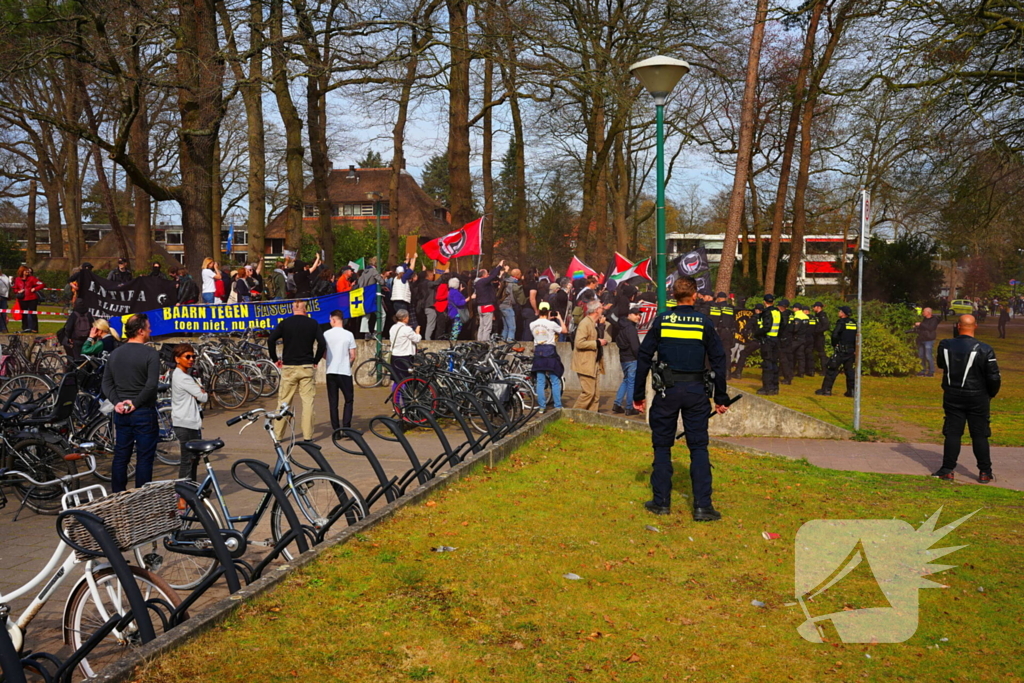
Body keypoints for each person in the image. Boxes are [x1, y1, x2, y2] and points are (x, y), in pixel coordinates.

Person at [634, 276, 729, 521]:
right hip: (696, 392)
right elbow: (719, 360)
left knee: (662, 447)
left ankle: (661, 503)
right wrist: (721, 397)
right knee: (698, 448)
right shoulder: (704, 322)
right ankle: (702, 507)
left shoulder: (662, 320)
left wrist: (638, 395)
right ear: (695, 295)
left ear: (674, 296)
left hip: (667, 391)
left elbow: (644, 356)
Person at [932, 315, 1000, 482]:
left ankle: (947, 469)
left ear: (958, 326)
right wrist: (990, 394)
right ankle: (985, 472)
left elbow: (941, 364)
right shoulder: (985, 349)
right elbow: (993, 377)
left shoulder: (945, 345)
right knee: (980, 434)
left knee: (953, 433)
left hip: (953, 395)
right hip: (977, 396)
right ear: (975, 326)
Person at [101, 313, 160, 492]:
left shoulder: (115, 353)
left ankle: (117, 495)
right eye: (148, 327)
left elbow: (106, 383)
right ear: (140, 331)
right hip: (143, 411)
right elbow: (151, 385)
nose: (150, 330)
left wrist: (117, 403)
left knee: (121, 456)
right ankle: (141, 497)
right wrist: (135, 403)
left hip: (122, 412)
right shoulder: (151, 353)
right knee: (144, 458)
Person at [268, 299, 326, 442]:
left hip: (289, 367)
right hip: (306, 366)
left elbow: (271, 339)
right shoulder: (312, 323)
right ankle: (307, 436)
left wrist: (275, 358)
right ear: (305, 309)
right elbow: (322, 343)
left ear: (292, 309)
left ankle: (278, 435)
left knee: (284, 401)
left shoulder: (285, 323)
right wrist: (316, 360)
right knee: (308, 402)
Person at [170, 343, 208, 481]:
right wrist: (201, 391)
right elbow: (203, 397)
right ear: (177, 359)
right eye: (187, 356)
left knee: (192, 460)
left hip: (186, 421)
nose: (191, 359)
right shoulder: (183, 377)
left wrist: (198, 392)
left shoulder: (180, 374)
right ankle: (183, 491)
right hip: (186, 423)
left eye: (193, 356)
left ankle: (190, 489)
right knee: (188, 461)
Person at [571, 299, 610, 411]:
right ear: (597, 310)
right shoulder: (585, 323)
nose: (603, 310)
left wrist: (599, 338)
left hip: (594, 363)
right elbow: (579, 343)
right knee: (588, 393)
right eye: (601, 308)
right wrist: (597, 343)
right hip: (585, 364)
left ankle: (591, 417)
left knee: (595, 395)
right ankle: (573, 415)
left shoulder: (593, 323)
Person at [324, 310, 358, 433]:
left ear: (333, 320)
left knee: (333, 402)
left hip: (331, 371)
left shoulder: (326, 334)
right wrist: (347, 363)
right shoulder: (349, 335)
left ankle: (336, 429)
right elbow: (353, 355)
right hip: (344, 371)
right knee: (348, 399)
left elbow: (323, 353)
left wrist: (329, 360)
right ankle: (346, 427)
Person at [530, 302, 566, 412]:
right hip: (550, 352)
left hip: (538, 352)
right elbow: (564, 331)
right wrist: (559, 318)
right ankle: (558, 406)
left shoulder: (532, 324)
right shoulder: (551, 324)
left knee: (540, 381)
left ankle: (542, 407)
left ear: (539, 310)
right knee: (555, 380)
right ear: (548, 311)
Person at [815, 306, 858, 397]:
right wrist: (854, 349)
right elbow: (856, 337)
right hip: (851, 351)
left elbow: (835, 335)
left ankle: (826, 390)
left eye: (840, 311)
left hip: (841, 351)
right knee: (849, 371)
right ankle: (851, 391)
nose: (838, 312)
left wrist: (835, 344)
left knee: (832, 369)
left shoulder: (841, 322)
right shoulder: (854, 323)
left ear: (843, 313)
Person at [614, 306, 642, 416]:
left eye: (639, 315)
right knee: (631, 382)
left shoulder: (622, 326)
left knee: (626, 380)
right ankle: (629, 407)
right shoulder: (630, 328)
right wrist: (640, 358)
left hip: (624, 358)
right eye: (636, 314)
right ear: (629, 314)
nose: (638, 317)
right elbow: (635, 346)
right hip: (631, 359)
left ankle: (617, 404)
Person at [756, 294, 782, 395]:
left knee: (767, 364)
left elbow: (766, 327)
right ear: (773, 302)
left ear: (764, 302)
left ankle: (767, 388)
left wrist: (756, 334)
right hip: (776, 339)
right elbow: (782, 326)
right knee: (774, 363)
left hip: (768, 340)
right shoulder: (777, 312)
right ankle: (775, 387)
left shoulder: (766, 312)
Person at [474, 261, 505, 341]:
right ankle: (485, 341)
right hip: (486, 305)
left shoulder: (478, 282)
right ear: (483, 275)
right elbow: (492, 275)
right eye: (487, 274)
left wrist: (497, 267)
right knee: (487, 326)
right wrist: (499, 266)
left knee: (482, 326)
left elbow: (492, 276)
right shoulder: (482, 281)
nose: (488, 275)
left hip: (480, 306)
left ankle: (479, 341)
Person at [388, 309, 421, 383]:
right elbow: (417, 339)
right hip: (405, 356)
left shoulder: (393, 327)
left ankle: (396, 390)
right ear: (404, 318)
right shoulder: (407, 329)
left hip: (394, 355)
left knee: (397, 379)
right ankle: (404, 390)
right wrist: (417, 332)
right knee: (406, 378)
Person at [732, 303, 763, 379]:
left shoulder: (754, 318)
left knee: (743, 353)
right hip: (765, 340)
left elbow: (745, 330)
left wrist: (747, 340)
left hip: (755, 341)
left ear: (756, 310)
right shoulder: (766, 318)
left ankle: (738, 373)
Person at [13, 266, 44, 333]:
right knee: (24, 314)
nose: (27, 272)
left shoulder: (32, 278)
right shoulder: (17, 279)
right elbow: (15, 289)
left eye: (28, 271)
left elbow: (42, 284)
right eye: (26, 270)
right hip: (22, 299)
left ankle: (34, 328)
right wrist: (18, 291)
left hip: (32, 298)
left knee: (33, 314)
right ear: (22, 271)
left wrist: (35, 289)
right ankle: (25, 328)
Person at [914, 307, 940, 377]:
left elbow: (931, 328)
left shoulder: (934, 320)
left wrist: (921, 324)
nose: (923, 313)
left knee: (928, 356)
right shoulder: (925, 319)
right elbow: (923, 327)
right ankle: (922, 370)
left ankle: (931, 371)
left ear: (928, 312)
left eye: (924, 311)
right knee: (921, 355)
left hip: (929, 340)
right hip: (922, 339)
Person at [776, 299, 795, 384]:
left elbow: (781, 327)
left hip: (783, 339)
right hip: (790, 338)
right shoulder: (791, 314)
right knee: (789, 358)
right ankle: (789, 374)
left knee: (783, 359)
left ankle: (787, 377)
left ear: (782, 307)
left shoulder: (783, 315)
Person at [811, 302, 829, 375]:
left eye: (814, 307)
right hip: (815, 336)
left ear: (818, 307)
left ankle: (824, 370)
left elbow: (826, 326)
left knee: (821, 354)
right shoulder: (817, 315)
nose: (813, 308)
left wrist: (817, 331)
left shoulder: (822, 315)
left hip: (819, 337)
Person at [0, 266, 9, 333]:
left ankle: (4, 328)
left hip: (4, 296)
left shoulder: (4, 276)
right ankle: (3, 328)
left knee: (3, 313)